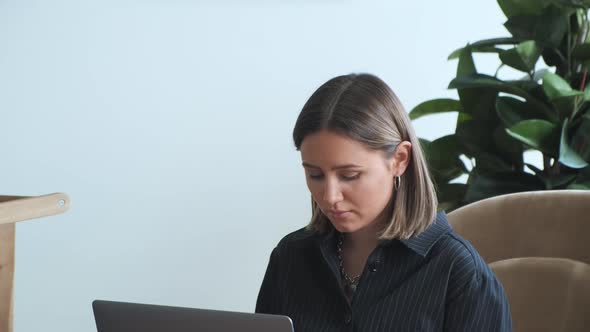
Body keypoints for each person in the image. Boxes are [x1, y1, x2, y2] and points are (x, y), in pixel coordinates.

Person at [255, 73, 512, 331]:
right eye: (315, 175)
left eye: (349, 175)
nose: (330, 196)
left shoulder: (460, 273)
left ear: (400, 159)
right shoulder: (290, 258)